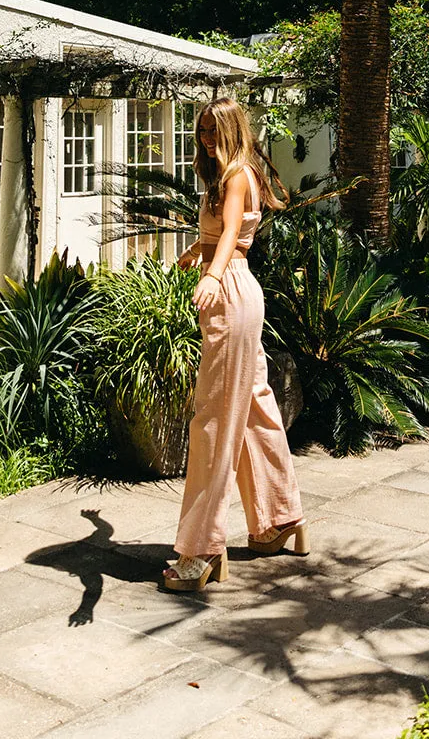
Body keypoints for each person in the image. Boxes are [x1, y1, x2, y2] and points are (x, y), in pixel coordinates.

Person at [163, 96, 306, 592]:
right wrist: (192, 256)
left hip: (230, 293)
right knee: (253, 410)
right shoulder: (224, 179)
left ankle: (200, 549)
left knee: (214, 419)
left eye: (212, 130)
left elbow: (229, 240)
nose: (204, 138)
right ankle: (280, 517)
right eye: (200, 130)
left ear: (231, 130)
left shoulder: (237, 174)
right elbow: (220, 233)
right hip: (237, 292)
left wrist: (212, 274)